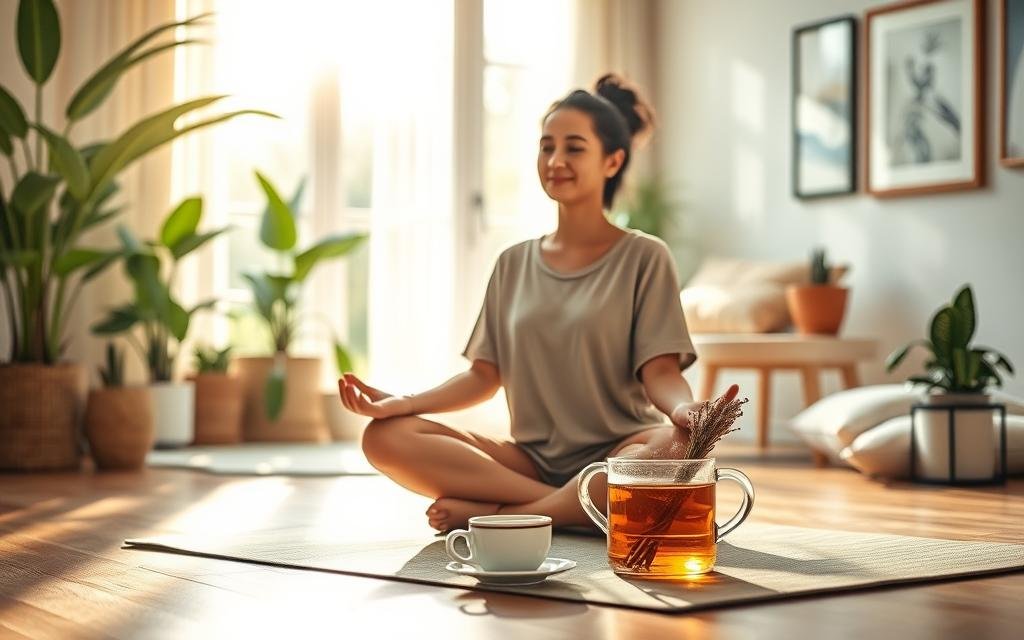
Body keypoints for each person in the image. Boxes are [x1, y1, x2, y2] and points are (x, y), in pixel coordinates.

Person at [339, 74, 737, 532]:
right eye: (546, 147)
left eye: (574, 148)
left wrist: (685, 413)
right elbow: (483, 377)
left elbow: (661, 371)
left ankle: (512, 517)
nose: (556, 160)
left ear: (613, 161)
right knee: (385, 437)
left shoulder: (645, 257)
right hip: (528, 462)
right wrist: (404, 404)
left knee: (675, 448)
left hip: (622, 449)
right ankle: (567, 509)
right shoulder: (513, 263)